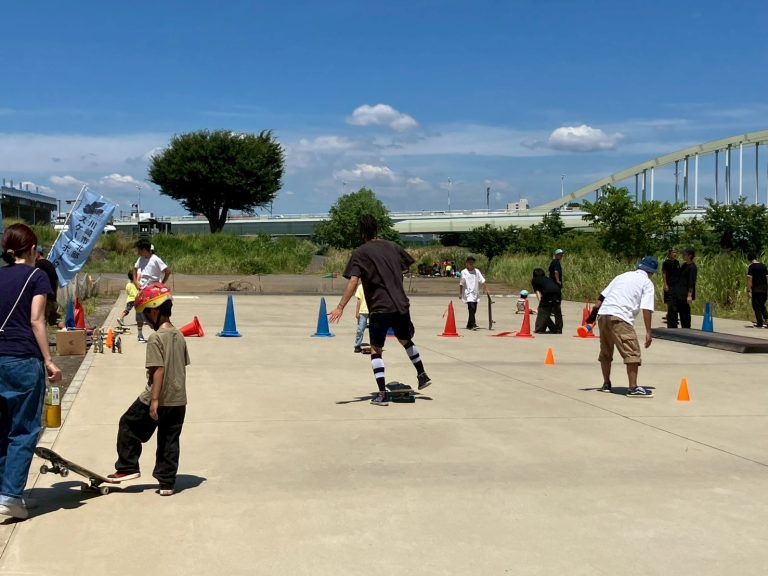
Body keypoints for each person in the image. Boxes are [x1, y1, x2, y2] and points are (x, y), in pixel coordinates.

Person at [329, 215, 432, 406]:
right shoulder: (392, 246)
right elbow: (406, 267)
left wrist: (341, 306)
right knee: (405, 340)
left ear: (361, 232)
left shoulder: (360, 253)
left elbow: (353, 280)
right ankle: (422, 374)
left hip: (380, 307)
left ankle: (382, 394)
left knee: (376, 349)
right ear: (377, 229)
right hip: (400, 305)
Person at [0, 224, 62, 519]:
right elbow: (37, 320)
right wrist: (49, 360)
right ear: (33, 249)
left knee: (2, 430)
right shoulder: (37, 276)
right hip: (23, 360)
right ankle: (11, 495)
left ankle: (5, 492)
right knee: (23, 430)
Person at [108, 282, 189, 496]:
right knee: (169, 440)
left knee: (128, 424)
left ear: (155, 311)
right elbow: (181, 366)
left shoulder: (155, 338)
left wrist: (154, 401)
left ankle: (127, 467)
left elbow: (158, 370)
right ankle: (167, 483)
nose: (144, 318)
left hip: (157, 397)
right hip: (178, 400)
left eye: (145, 314)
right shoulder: (179, 336)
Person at [590, 256, 658, 398]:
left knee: (606, 351)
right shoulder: (647, 283)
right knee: (632, 351)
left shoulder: (621, 276)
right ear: (651, 273)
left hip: (603, 315)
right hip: (620, 317)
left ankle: (606, 384)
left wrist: (592, 318)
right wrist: (648, 332)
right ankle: (633, 388)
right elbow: (647, 308)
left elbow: (601, 297)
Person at [133, 240, 171, 343]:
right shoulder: (140, 259)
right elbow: (134, 269)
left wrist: (161, 284)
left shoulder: (155, 259)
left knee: (155, 312)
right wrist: (136, 281)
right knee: (139, 312)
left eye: (139, 250)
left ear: (145, 250)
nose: (138, 253)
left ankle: (160, 334)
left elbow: (167, 271)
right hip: (142, 289)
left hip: (153, 291)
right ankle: (140, 334)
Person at [459, 256, 488, 330]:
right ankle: (473, 324)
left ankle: (469, 324)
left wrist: (485, 288)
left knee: (473, 310)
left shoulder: (477, 271)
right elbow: (461, 283)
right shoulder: (463, 272)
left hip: (475, 293)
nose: (471, 264)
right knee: (471, 308)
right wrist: (460, 293)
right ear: (466, 263)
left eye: (472, 262)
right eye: (469, 262)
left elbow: (482, 280)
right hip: (468, 294)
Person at [531, 268, 563, 333]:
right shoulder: (548, 278)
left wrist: (541, 303)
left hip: (548, 292)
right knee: (557, 312)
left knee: (542, 311)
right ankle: (558, 329)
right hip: (558, 292)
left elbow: (537, 292)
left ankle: (539, 329)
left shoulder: (535, 280)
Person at [34, 245, 60, 327]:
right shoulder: (50, 264)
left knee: (41, 322)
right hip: (52, 298)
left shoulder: (39, 265)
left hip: (44, 298)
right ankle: (68, 332)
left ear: (37, 254)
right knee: (54, 321)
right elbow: (56, 281)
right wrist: (55, 295)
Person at [674, 248, 698, 329]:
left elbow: (691, 282)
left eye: (684, 255)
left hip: (686, 294)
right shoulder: (684, 265)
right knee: (680, 312)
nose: (683, 256)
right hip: (679, 293)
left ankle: (687, 328)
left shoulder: (692, 267)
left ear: (690, 256)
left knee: (685, 313)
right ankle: (682, 328)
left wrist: (689, 295)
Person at [747, 252, 768, 328]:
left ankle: (760, 323)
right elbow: (767, 278)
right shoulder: (764, 266)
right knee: (762, 305)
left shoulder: (751, 267)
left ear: (749, 259)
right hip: (764, 289)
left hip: (756, 290)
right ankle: (766, 319)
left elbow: (750, 279)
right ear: (756, 258)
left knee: (756, 306)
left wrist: (749, 290)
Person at [661, 248, 680, 327]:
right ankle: (669, 316)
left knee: (676, 301)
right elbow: (664, 273)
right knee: (669, 301)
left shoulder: (677, 262)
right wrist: (665, 284)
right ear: (670, 254)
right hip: (669, 284)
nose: (675, 254)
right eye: (673, 252)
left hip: (676, 285)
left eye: (676, 252)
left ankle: (673, 317)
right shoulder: (666, 263)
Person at [353, 280, 369, 353]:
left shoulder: (375, 286)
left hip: (373, 311)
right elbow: (358, 300)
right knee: (360, 329)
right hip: (363, 312)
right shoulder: (360, 287)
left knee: (374, 330)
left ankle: (375, 345)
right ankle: (357, 345)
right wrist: (357, 312)